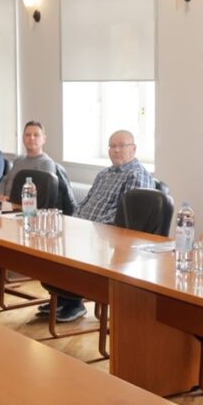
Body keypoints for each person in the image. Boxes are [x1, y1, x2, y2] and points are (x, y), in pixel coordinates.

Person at [42, 130, 154, 322]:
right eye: (112, 146)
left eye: (121, 146)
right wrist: (72, 222)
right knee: (49, 241)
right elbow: (85, 203)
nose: (116, 150)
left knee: (71, 247)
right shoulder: (104, 174)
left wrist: (89, 229)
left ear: (134, 149)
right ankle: (62, 297)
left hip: (107, 238)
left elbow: (124, 216)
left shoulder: (136, 175)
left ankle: (73, 301)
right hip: (84, 229)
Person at [0, 121, 58, 284]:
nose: (31, 138)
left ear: (44, 139)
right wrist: (0, 195)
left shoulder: (46, 163)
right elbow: (5, 180)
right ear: (23, 138)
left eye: (36, 135)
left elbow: (41, 195)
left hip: (27, 214)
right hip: (8, 207)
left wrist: (11, 201)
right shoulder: (19, 160)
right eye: (28, 135)